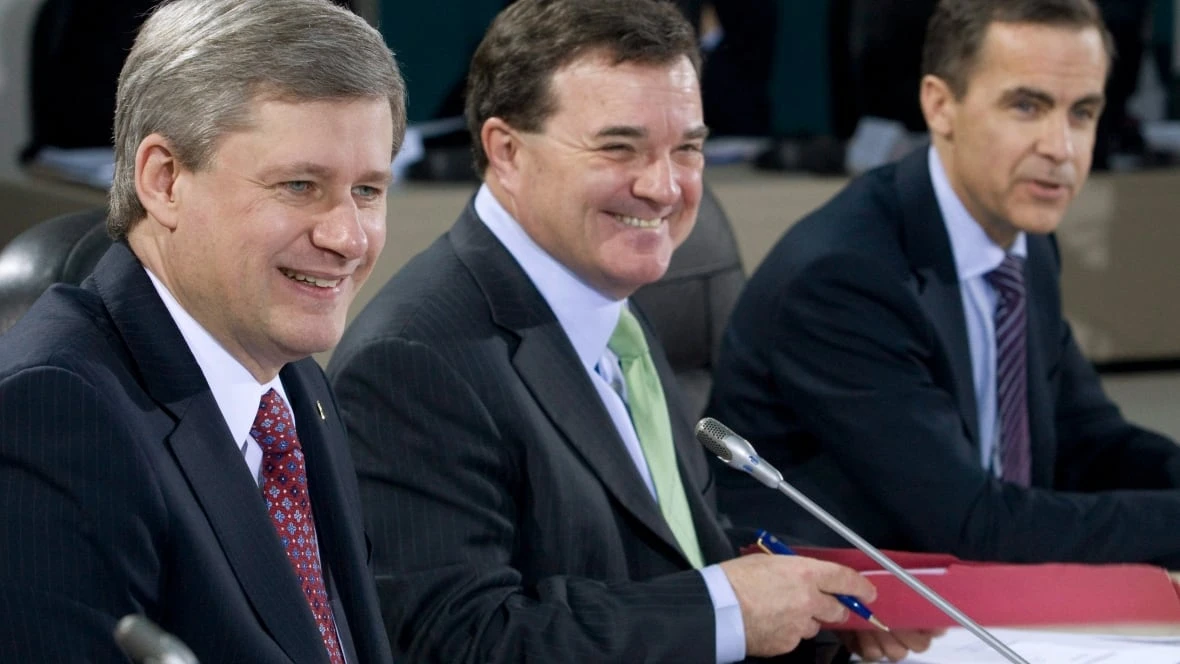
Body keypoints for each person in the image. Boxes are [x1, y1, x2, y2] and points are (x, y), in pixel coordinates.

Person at [328, 0, 934, 661]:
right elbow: (457, 642)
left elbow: (670, 564)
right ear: (505, 151)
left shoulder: (609, 297)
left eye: (688, 148)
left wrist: (821, 618)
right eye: (619, 147)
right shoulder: (415, 360)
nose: (664, 187)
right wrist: (729, 611)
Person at [708, 0, 1180, 567]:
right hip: (855, 618)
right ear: (940, 105)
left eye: (1081, 112)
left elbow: (1088, 440)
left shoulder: (1024, 238)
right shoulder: (846, 278)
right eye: (1027, 106)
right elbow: (972, 526)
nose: (1062, 148)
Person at [0, 0, 405, 661]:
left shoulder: (294, 382)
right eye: (300, 185)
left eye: (367, 191)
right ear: (163, 180)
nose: (347, 238)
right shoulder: (53, 416)